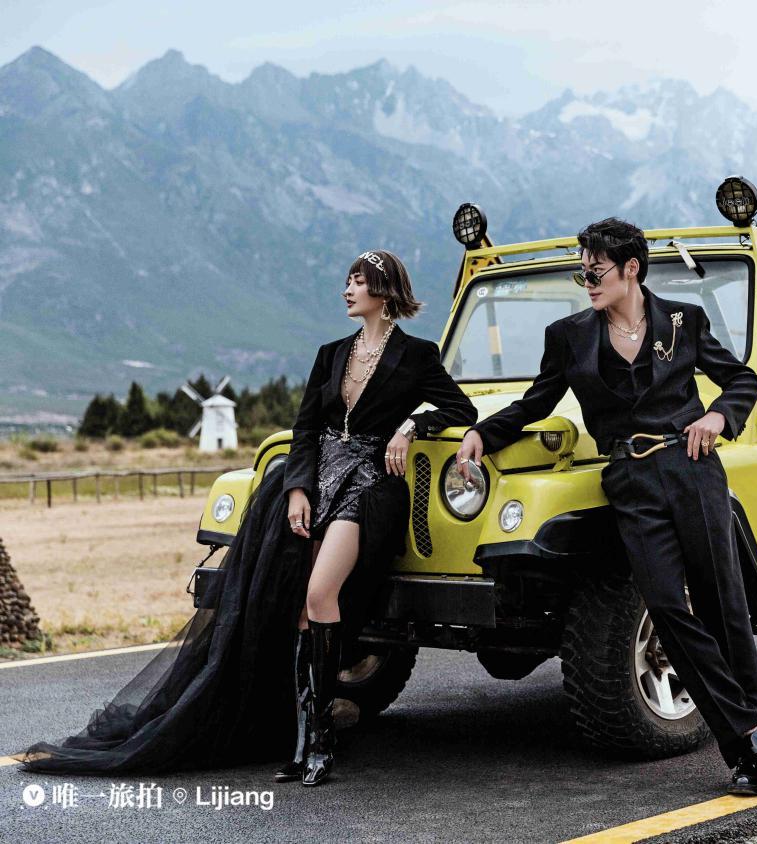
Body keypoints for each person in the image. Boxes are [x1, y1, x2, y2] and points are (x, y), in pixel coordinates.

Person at [18, 250, 477, 787]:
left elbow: (461, 409)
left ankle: (320, 741)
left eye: (357, 281)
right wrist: (297, 488)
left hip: (370, 486)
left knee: (319, 594)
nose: (347, 290)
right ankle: (305, 738)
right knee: (301, 611)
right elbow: (306, 428)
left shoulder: (416, 355)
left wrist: (412, 427)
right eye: (347, 281)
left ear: (383, 289)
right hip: (317, 483)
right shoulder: (332, 354)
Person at [456, 218, 757, 797]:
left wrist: (717, 416)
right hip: (630, 481)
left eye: (596, 270)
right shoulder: (568, 336)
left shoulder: (683, 320)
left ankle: (754, 740)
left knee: (723, 605)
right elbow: (536, 402)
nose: (587, 280)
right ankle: (751, 731)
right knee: (667, 608)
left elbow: (741, 379)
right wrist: (481, 434)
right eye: (582, 271)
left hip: (692, 470)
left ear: (631, 268)